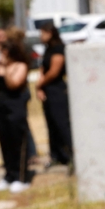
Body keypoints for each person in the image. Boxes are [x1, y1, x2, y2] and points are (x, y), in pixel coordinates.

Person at [0, 27, 35, 193]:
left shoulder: (20, 65)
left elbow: (14, 83)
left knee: (18, 141)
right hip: (1, 106)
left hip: (16, 106)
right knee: (5, 140)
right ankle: (9, 174)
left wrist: (5, 69)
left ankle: (22, 176)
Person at [35, 23, 73, 170]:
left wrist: (40, 84)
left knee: (61, 123)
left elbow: (54, 71)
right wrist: (41, 87)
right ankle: (57, 155)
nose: (40, 36)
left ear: (50, 33)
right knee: (51, 124)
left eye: (43, 33)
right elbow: (43, 68)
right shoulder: (47, 49)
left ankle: (71, 155)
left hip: (58, 90)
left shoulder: (58, 49)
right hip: (48, 90)